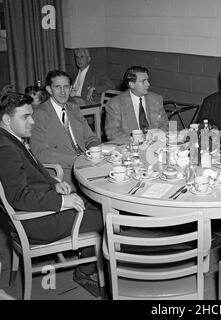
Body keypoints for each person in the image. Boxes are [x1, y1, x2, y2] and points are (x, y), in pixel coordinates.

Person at [0, 93, 103, 297]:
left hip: (40, 209)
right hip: (37, 223)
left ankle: (87, 253)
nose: (32, 121)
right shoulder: (5, 148)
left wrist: (54, 184)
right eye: (25, 116)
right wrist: (63, 201)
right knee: (105, 218)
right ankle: (84, 271)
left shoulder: (9, 139)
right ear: (6, 120)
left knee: (92, 204)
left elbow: (28, 176)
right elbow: (19, 196)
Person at [30, 70, 101, 191]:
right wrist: (78, 161)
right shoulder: (38, 115)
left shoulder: (74, 108)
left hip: (87, 165)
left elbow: (91, 138)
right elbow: (41, 154)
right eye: (58, 87)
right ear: (49, 89)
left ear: (70, 88)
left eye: (66, 87)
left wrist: (95, 151)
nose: (63, 92)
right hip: (63, 174)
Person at [105, 65, 169, 141]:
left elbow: (165, 125)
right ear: (132, 84)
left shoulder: (156, 99)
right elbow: (112, 133)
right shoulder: (115, 104)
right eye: (143, 81)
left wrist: (158, 134)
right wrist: (135, 140)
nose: (148, 84)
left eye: (147, 80)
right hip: (130, 147)